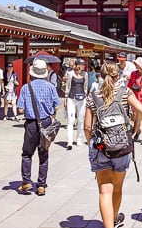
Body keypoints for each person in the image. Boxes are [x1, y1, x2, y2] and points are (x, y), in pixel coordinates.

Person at [84, 62, 142, 228]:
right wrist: (135, 128)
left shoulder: (93, 95)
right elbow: (141, 109)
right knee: (117, 188)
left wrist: (91, 142)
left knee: (104, 190)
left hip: (101, 146)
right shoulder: (125, 93)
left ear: (100, 76)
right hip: (121, 146)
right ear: (118, 75)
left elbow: (87, 126)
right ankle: (114, 217)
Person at [16, 59, 60, 196]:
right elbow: (56, 106)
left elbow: (20, 109)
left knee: (27, 153)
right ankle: (41, 185)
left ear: (32, 73)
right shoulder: (51, 87)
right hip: (46, 123)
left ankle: (26, 181)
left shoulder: (25, 87)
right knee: (44, 154)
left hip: (30, 124)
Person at [63, 58, 88, 150]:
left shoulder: (85, 74)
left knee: (81, 119)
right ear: (77, 65)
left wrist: (86, 95)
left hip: (82, 98)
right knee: (71, 120)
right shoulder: (70, 74)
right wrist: (65, 98)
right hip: (71, 98)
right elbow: (68, 86)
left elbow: (85, 86)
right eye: (82, 65)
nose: (83, 66)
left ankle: (79, 138)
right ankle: (69, 141)